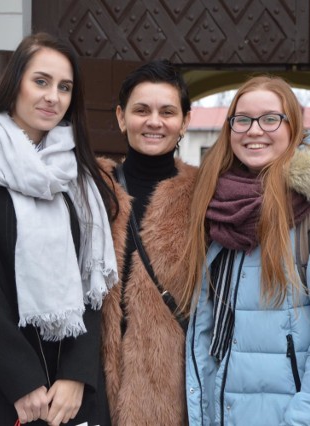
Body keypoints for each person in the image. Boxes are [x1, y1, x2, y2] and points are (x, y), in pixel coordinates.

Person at [0, 32, 118, 426]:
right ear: (13, 83)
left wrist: (76, 375)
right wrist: (21, 379)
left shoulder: (80, 177)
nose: (53, 96)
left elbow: (93, 285)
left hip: (69, 397)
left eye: (64, 87)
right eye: (41, 81)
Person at [181, 75, 310, 425]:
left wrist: (301, 420)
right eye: (243, 119)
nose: (254, 130)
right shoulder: (216, 205)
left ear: (292, 126)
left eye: (270, 118)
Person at [98, 60, 196, 424]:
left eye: (167, 111)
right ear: (122, 118)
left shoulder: (205, 196)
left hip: (174, 395)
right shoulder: (92, 189)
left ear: (185, 121)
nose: (154, 121)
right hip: (93, 387)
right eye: (142, 110)